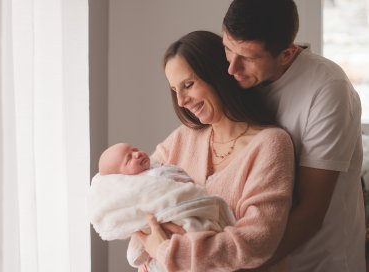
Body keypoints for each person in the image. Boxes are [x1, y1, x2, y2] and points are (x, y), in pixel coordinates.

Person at [221, 0, 365, 271]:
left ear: (287, 54)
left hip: (319, 261)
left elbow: (310, 213)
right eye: (228, 48)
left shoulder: (326, 89)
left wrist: (236, 266)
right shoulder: (236, 78)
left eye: (249, 58)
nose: (232, 68)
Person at [134, 30, 295, 271]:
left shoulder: (270, 144)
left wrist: (166, 251)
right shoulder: (184, 137)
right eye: (175, 90)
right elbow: (137, 198)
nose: (181, 101)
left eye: (188, 85)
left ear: (218, 75)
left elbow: (257, 241)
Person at [89, 142, 236, 271]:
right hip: (169, 217)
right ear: (121, 178)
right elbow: (143, 221)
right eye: (129, 159)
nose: (137, 154)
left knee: (200, 231)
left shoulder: (157, 166)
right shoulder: (137, 187)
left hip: (191, 209)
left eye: (135, 149)